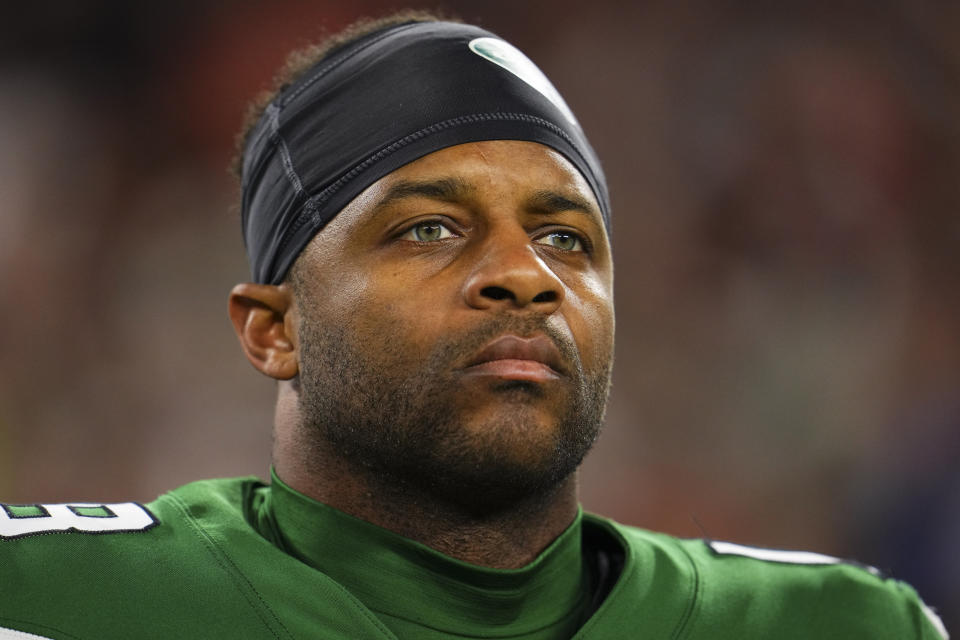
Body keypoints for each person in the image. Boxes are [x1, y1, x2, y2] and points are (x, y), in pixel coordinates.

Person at [0, 11, 948, 640]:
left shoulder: (839, 627)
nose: (522, 276)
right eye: (430, 228)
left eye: (565, 238)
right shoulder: (50, 602)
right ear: (271, 330)